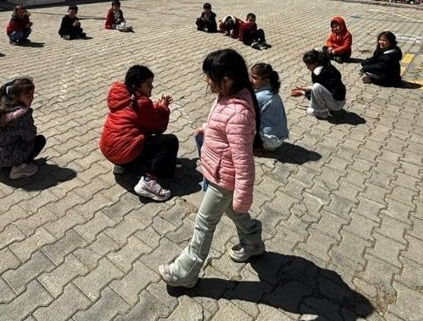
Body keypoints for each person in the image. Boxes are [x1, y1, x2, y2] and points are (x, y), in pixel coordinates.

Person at [158, 49, 263, 288]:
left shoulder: (239, 113)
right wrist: (208, 128)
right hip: (217, 170)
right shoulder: (229, 95)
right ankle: (253, 240)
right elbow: (223, 125)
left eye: (210, 77)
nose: (206, 81)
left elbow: (244, 162)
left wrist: (243, 196)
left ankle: (186, 272)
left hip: (223, 178)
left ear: (226, 80)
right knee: (232, 211)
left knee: (204, 224)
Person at [100, 65, 178, 202]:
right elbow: (159, 127)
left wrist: (156, 107)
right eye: (148, 84)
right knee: (169, 141)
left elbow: (137, 113)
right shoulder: (141, 102)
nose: (151, 87)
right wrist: (164, 109)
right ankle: (149, 181)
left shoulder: (121, 96)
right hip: (124, 153)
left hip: (109, 151)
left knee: (138, 133)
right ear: (136, 86)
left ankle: (122, 165)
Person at [0, 77, 47, 179]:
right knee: (39, 141)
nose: (32, 98)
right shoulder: (21, 114)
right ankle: (19, 168)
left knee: (7, 140)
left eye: (32, 94)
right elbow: (30, 136)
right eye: (27, 95)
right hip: (6, 156)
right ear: (16, 97)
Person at [291, 50, 346, 119]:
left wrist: (303, 93)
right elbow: (324, 88)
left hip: (336, 104)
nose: (307, 68)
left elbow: (318, 91)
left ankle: (322, 112)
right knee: (316, 87)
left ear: (316, 63)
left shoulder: (320, 73)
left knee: (316, 87)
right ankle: (324, 108)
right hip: (336, 100)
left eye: (308, 65)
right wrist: (304, 88)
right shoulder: (326, 68)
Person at [250, 63, 288, 151]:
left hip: (269, 140)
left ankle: (259, 145)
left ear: (266, 81)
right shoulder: (270, 90)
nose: (251, 80)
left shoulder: (260, 97)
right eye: (251, 76)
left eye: (254, 78)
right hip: (277, 138)